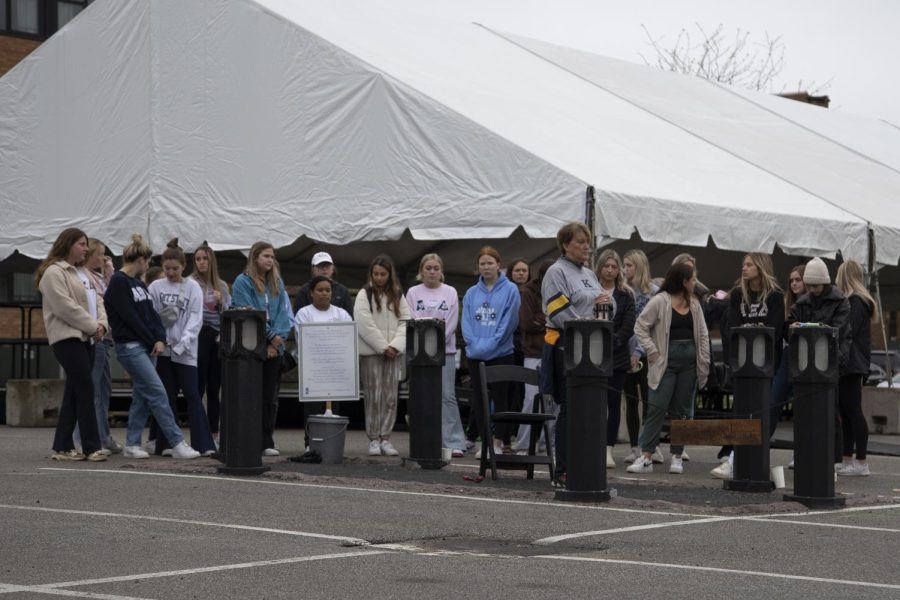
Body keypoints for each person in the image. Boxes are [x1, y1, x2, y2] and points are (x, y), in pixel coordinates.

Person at [104, 234, 200, 459]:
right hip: (130, 346)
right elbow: (131, 319)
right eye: (147, 262)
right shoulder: (119, 282)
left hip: (147, 346)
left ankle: (132, 443)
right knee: (157, 391)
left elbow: (152, 316)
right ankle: (177, 441)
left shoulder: (138, 283)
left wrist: (159, 338)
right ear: (140, 260)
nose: (148, 266)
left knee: (143, 394)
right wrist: (153, 339)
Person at [627, 262, 710, 475]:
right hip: (666, 362)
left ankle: (677, 455)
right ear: (683, 281)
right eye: (692, 279)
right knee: (656, 406)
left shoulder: (694, 304)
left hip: (689, 364)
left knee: (681, 411)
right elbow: (640, 326)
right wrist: (652, 351)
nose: (695, 283)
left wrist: (705, 360)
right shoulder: (660, 301)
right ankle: (646, 455)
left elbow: (703, 334)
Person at [36, 228, 109, 462]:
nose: (86, 248)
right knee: (86, 388)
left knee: (74, 392)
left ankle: (62, 445)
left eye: (86, 244)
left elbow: (98, 300)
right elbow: (64, 306)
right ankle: (91, 446)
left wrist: (102, 326)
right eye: (81, 244)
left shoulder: (84, 273)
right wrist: (93, 326)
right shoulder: (53, 273)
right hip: (66, 338)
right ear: (67, 245)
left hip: (87, 337)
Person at [711, 253, 785, 479]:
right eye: (743, 264)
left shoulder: (774, 296)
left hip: (766, 364)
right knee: (741, 411)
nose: (744, 268)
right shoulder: (737, 295)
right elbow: (733, 326)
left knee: (762, 410)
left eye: (749, 265)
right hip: (742, 363)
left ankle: (749, 458)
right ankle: (735, 458)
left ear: (761, 267)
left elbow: (775, 329)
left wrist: (752, 329)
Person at [541, 223, 603, 485]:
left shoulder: (590, 273)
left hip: (592, 350)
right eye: (580, 242)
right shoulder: (555, 272)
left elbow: (598, 303)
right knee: (568, 409)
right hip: (565, 348)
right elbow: (558, 311)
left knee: (589, 408)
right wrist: (585, 325)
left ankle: (585, 463)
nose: (586, 246)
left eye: (587, 242)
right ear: (565, 245)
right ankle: (563, 470)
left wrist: (605, 305)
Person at [148, 239, 216, 457]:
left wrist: (184, 342)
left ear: (183, 267)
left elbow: (196, 317)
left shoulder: (193, 287)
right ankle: (167, 443)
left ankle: (203, 443)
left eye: (175, 269)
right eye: (166, 268)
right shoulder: (155, 287)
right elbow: (151, 317)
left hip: (186, 351)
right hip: (163, 349)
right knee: (165, 396)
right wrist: (160, 339)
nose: (170, 273)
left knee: (192, 395)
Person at [786, 256, 851, 466]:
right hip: (807, 362)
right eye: (810, 285)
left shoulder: (840, 301)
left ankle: (833, 458)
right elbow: (788, 327)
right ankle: (806, 453)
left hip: (830, 361)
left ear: (824, 282)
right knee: (805, 410)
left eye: (815, 285)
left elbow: (839, 332)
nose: (812, 289)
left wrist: (807, 327)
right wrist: (793, 328)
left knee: (830, 411)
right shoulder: (803, 303)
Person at [231, 241, 293, 456]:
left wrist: (278, 340)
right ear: (255, 257)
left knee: (269, 397)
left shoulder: (277, 281)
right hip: (251, 347)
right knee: (251, 395)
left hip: (275, 348)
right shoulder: (242, 282)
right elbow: (248, 312)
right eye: (266, 256)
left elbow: (284, 314)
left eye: (272, 256)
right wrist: (269, 337)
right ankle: (248, 438)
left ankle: (266, 439)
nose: (270, 260)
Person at [406, 254, 466, 458]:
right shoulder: (413, 292)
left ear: (441, 271)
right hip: (419, 354)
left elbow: (451, 321)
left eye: (435, 268)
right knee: (423, 397)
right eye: (428, 268)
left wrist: (437, 342)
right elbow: (411, 318)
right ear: (421, 271)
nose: (432, 271)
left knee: (447, 396)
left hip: (445, 352)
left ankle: (454, 441)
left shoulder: (450, 292)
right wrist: (424, 344)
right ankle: (427, 439)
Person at [462, 246, 521, 458]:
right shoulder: (470, 293)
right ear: (478, 267)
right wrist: (476, 345)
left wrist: (488, 345)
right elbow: (466, 323)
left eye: (490, 263)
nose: (486, 267)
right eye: (482, 263)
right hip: (475, 354)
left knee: (502, 398)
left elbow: (509, 323)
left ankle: (499, 441)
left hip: (501, 352)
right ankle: (485, 441)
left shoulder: (511, 290)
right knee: (479, 399)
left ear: (498, 264)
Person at [354, 255, 410, 457]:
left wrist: (396, 346)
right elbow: (363, 323)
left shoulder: (398, 294)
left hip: (393, 354)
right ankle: (373, 439)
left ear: (389, 274)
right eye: (376, 274)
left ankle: (386, 438)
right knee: (373, 397)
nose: (379, 278)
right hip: (372, 354)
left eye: (383, 274)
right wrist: (383, 346)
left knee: (390, 397)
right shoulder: (364, 294)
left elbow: (406, 321)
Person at [73, 239, 120, 455]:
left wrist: (109, 272)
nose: (102, 259)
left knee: (104, 389)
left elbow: (112, 299)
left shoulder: (100, 276)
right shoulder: (83, 276)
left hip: (107, 336)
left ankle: (103, 435)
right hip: (95, 336)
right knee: (92, 389)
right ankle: (81, 437)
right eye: (99, 254)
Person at [595, 249, 636, 469]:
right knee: (594, 402)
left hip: (617, 357)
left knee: (613, 403)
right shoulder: (590, 290)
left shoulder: (626, 294)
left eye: (614, 266)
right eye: (606, 266)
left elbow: (630, 323)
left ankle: (608, 448)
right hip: (592, 355)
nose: (610, 270)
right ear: (599, 267)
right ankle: (592, 445)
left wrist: (615, 341)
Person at [835, 260, 876, 477]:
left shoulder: (856, 302)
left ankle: (861, 462)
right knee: (847, 412)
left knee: (852, 411)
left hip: (852, 363)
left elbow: (846, 331)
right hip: (851, 363)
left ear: (844, 276)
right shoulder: (858, 301)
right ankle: (848, 459)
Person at [512, 260, 556, 454]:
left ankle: (550, 444)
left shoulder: (560, 291)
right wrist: (550, 323)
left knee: (553, 400)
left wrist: (543, 320)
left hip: (554, 350)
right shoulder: (529, 292)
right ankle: (523, 445)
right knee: (530, 400)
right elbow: (528, 323)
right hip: (533, 352)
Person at [622, 249, 659, 465]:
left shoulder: (653, 292)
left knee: (649, 400)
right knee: (631, 399)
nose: (625, 270)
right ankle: (633, 446)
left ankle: (649, 445)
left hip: (648, 351)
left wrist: (640, 351)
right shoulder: (624, 291)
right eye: (624, 265)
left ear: (639, 266)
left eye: (629, 265)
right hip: (626, 352)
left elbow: (653, 325)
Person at [190, 244, 231, 438]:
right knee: (198, 385)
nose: (201, 262)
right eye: (198, 259)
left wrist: (221, 301)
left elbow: (229, 314)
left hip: (217, 336)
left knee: (215, 387)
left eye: (205, 258)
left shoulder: (221, 285)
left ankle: (214, 432)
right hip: (199, 334)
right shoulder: (190, 282)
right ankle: (197, 432)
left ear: (211, 261)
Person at [506, 258, 530, 413]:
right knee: (511, 385)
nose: (521, 273)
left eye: (524, 270)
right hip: (509, 344)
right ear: (510, 273)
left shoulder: (532, 293)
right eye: (517, 270)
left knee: (524, 386)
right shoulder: (506, 292)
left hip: (527, 346)